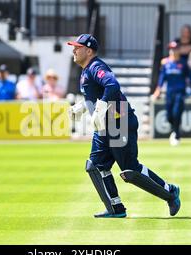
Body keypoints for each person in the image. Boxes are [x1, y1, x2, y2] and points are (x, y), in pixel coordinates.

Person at [67, 34, 181, 218]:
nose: (73, 50)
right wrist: (81, 107)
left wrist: (102, 106)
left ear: (88, 51)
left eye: (77, 47)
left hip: (120, 121)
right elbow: (97, 93)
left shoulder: (96, 66)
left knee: (130, 171)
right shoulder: (86, 69)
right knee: (95, 166)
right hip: (105, 126)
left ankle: (170, 192)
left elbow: (112, 85)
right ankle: (115, 208)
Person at [152, 41, 189, 146]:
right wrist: (157, 91)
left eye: (175, 49)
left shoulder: (183, 63)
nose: (173, 51)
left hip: (180, 92)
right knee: (169, 115)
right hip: (169, 92)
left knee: (177, 113)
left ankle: (176, 134)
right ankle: (175, 130)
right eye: (171, 49)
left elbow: (188, 77)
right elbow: (162, 78)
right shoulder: (166, 63)